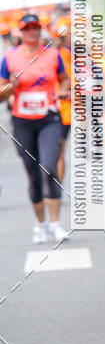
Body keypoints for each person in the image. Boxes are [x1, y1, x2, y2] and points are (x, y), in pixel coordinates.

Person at [0, 12, 70, 243]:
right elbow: (1, 96)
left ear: (40, 29)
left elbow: (64, 80)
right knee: (33, 173)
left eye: (35, 27)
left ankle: (56, 224)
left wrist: (62, 92)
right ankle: (41, 225)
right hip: (22, 121)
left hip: (49, 118)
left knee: (49, 168)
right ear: (20, 32)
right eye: (26, 28)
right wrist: (12, 86)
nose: (31, 31)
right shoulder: (9, 59)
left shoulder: (53, 55)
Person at [52, 17, 72, 184]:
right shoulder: (43, 56)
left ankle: (56, 186)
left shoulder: (72, 56)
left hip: (65, 111)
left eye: (62, 37)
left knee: (59, 149)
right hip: (46, 110)